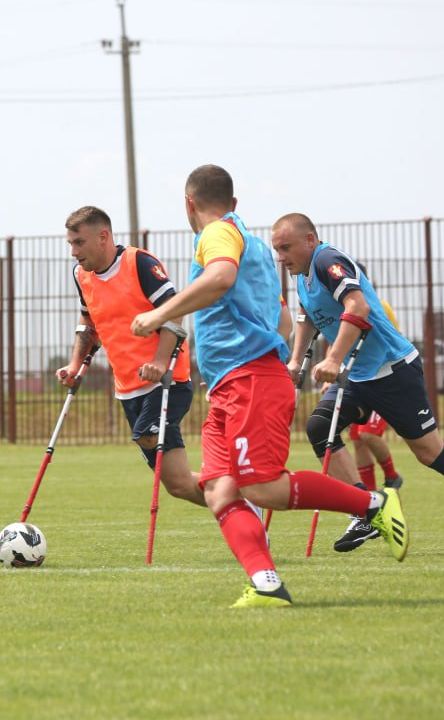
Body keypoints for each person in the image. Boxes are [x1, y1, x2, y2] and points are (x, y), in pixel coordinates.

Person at [131, 165, 408, 609]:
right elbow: (281, 319)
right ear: (234, 202)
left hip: (248, 380)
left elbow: (220, 278)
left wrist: (159, 315)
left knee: (262, 488)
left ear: (188, 203)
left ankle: (372, 504)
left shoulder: (216, 235)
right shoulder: (257, 247)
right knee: (219, 491)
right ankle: (266, 584)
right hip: (232, 384)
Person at [271, 213, 444, 555]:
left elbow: (357, 305)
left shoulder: (327, 260)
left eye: (286, 248)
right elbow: (306, 315)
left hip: (393, 371)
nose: (281, 257)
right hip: (359, 375)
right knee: (320, 428)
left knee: (429, 452)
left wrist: (333, 360)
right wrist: (296, 360)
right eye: (277, 250)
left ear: (310, 240)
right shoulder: (302, 275)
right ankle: (367, 510)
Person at [58, 206, 204, 507]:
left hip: (166, 382)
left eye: (79, 242)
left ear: (103, 237)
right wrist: (74, 364)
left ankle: (241, 508)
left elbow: (174, 311)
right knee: (178, 484)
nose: (74, 252)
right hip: (127, 388)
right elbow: (88, 321)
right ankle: (240, 501)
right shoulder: (80, 275)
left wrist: (160, 362)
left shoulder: (139, 263)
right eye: (70, 243)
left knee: (146, 434)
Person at [348, 262, 404, 494]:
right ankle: (369, 496)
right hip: (359, 383)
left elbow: (396, 341)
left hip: (384, 382)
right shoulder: (341, 312)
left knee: (368, 433)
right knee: (357, 439)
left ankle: (392, 476)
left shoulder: (380, 307)